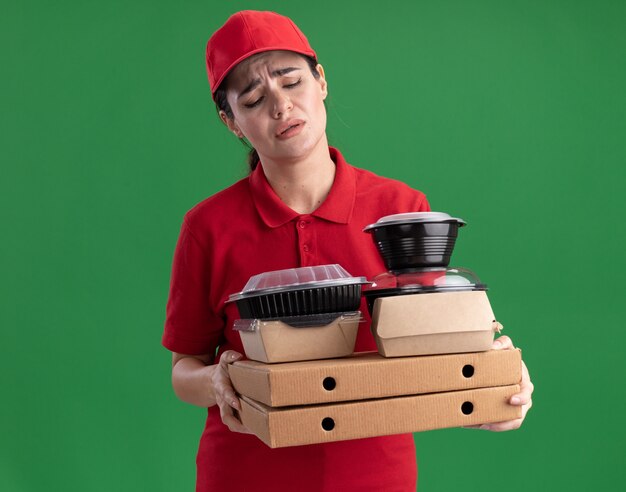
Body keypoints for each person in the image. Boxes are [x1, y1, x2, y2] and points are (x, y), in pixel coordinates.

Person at [162, 10, 534, 492]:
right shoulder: (208, 227)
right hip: (244, 475)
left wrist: (493, 385)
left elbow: (437, 350)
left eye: (291, 81)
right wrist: (215, 380)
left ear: (321, 81)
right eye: (253, 99)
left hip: (376, 475)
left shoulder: (400, 212)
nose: (280, 106)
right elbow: (183, 370)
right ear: (230, 122)